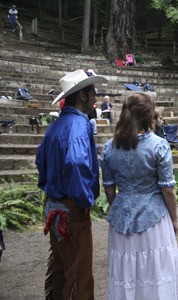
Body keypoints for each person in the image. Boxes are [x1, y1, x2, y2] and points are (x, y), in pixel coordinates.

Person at [100, 92, 178, 299]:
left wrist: (118, 208)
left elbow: (109, 188)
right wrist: (173, 219)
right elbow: (167, 189)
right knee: (156, 270)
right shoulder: (158, 145)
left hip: (121, 221)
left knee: (126, 272)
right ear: (149, 116)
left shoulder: (109, 148)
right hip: (153, 220)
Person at [35, 69, 107, 299]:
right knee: (80, 274)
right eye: (93, 93)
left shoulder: (56, 125)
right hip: (71, 209)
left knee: (61, 269)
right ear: (82, 95)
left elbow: (40, 160)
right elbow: (76, 161)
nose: (96, 98)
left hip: (54, 206)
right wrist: (84, 200)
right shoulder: (78, 124)